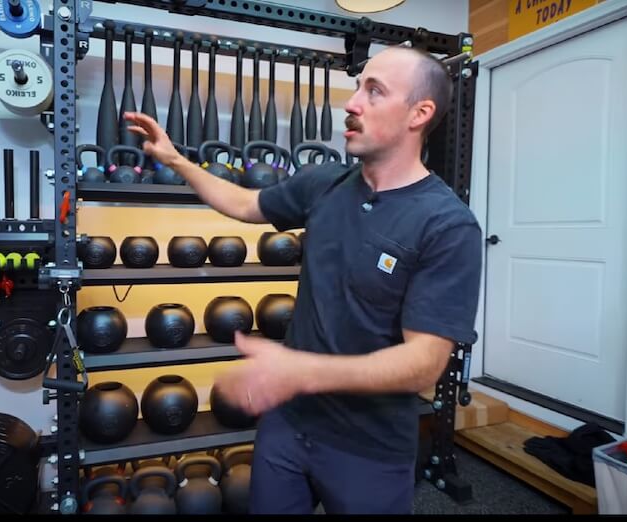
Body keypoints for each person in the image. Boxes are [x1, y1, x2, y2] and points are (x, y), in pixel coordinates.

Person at [123, 44, 483, 515]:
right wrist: (177, 162)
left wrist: (299, 372)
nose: (352, 104)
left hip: (367, 448)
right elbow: (245, 204)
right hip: (286, 429)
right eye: (357, 87)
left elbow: (424, 365)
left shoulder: (447, 225)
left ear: (420, 113)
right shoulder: (324, 183)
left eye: (374, 92)